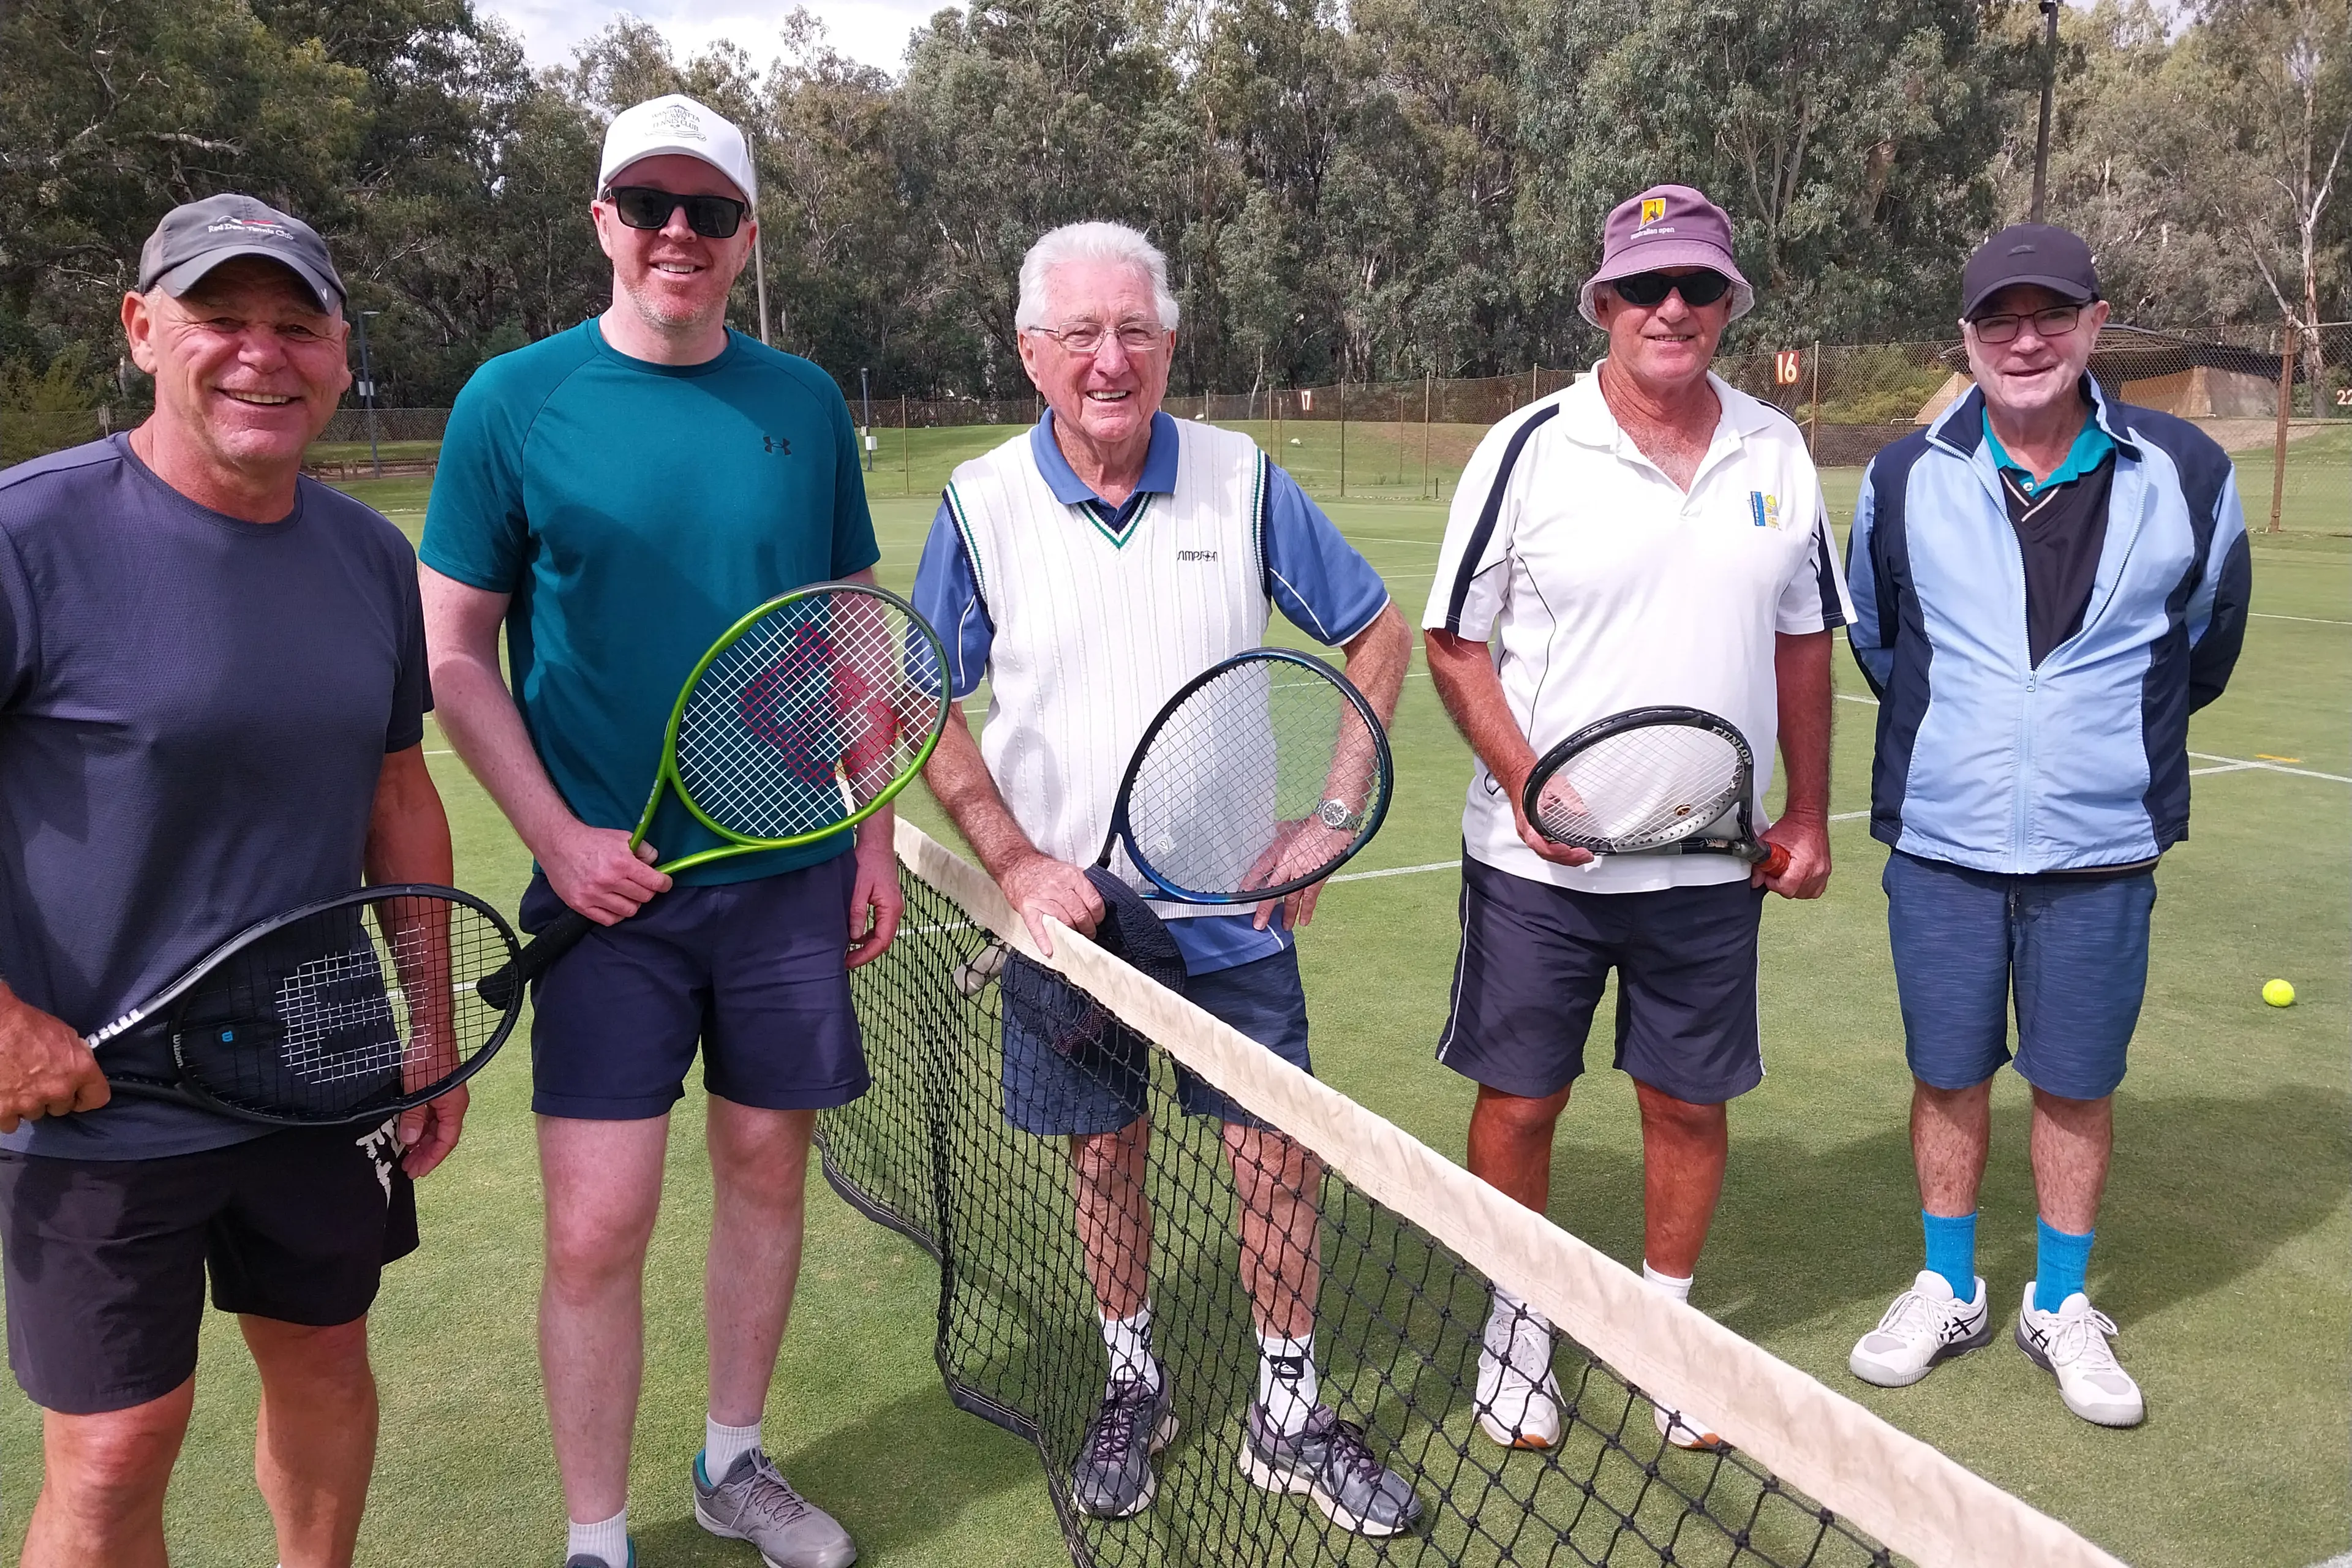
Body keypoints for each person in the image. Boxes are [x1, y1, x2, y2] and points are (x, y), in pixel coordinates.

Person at [420, 94, 886, 1568]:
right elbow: (452, 654)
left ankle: (732, 1463)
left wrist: (869, 834)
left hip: (789, 875)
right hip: (606, 895)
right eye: (649, 204)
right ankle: (595, 1533)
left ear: (746, 236)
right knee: (594, 1225)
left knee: (765, 1167)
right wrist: (557, 836)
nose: (678, 233)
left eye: (712, 211)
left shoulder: (805, 401)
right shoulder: (512, 399)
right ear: (602, 219)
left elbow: (854, 621)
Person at [913, 221, 1422, 1536]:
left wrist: (1333, 808)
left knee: (1274, 1162)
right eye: (1078, 333)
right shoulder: (980, 502)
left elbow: (1376, 629)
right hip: (1067, 929)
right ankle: (1135, 1382)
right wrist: (1017, 860)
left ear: (1171, 343)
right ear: (1031, 353)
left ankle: (1290, 1412)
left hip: (1231, 915)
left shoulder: (1246, 479)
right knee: (1104, 1162)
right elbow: (922, 705)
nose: (1109, 358)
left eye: (1134, 329)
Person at [0, 194, 459, 1568]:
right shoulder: (31, 534)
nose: (262, 354)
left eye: (294, 325)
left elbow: (394, 788)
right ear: (144, 331)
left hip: (317, 1064)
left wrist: (427, 1026)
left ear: (338, 352)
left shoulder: (372, 556)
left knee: (324, 1369)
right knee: (115, 1447)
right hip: (93, 1093)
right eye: (219, 319)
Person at [1420, 185, 1850, 1453]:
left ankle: (1669, 1339)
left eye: (1700, 287)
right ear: (1603, 303)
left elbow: (1805, 642)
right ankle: (1518, 1330)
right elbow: (1454, 643)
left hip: (1713, 860)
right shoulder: (1528, 446)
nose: (1674, 309)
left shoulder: (1777, 453)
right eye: (1647, 287)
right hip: (1537, 869)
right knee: (1523, 1101)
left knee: (1688, 1105)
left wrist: (1811, 812)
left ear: (1731, 304)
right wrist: (1522, 779)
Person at [1842, 224, 2248, 1427]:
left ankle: (2061, 1302)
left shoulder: (2185, 468)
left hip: (2100, 845)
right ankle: (1948, 1282)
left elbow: (2205, 643)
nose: (2025, 339)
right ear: (1965, 340)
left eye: (2050, 314)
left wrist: (2089, 735)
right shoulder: (1904, 475)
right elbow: (1880, 631)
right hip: (1946, 842)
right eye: (1997, 320)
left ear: (2094, 322)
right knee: (1948, 1068)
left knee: (2075, 1079)